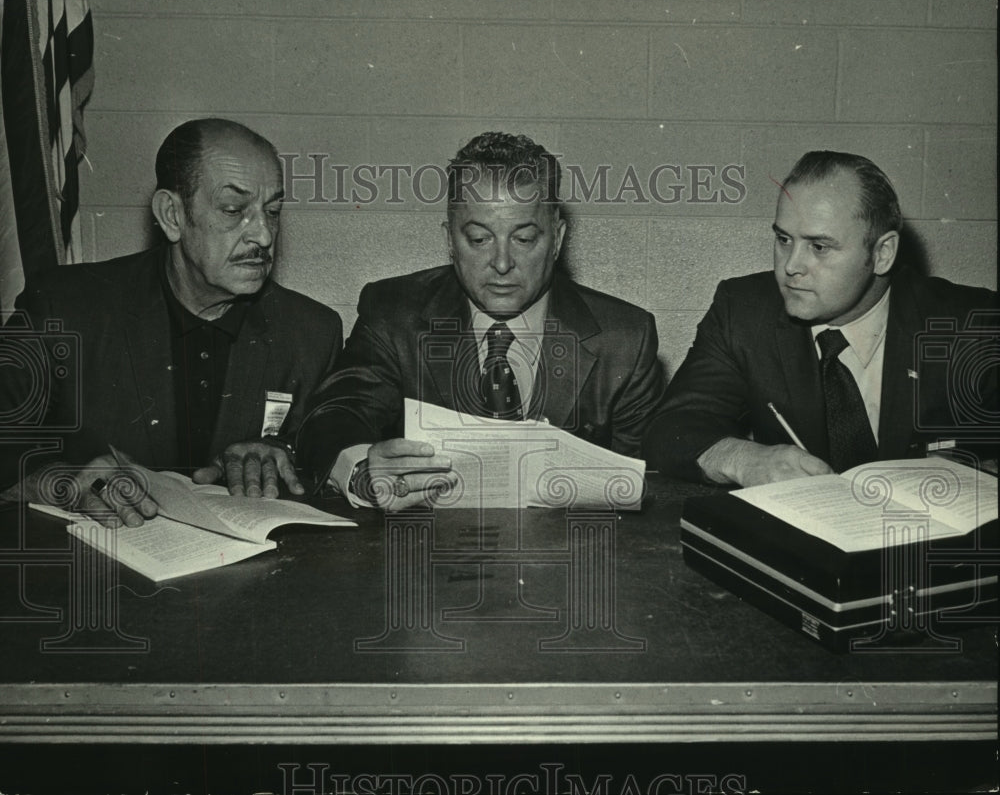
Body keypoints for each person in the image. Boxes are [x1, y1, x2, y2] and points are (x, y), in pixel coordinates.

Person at [297, 131, 666, 510]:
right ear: (450, 241)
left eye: (523, 239)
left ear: (556, 239)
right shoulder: (395, 313)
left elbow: (649, 484)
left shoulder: (625, 338)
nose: (502, 264)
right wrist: (363, 471)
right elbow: (331, 416)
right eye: (479, 239)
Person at [0, 118, 342, 526]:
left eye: (272, 211)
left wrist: (281, 455)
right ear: (172, 215)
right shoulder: (65, 307)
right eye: (234, 210)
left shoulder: (311, 332)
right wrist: (61, 482)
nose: (264, 236)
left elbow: (326, 456)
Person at [643, 150, 997, 487]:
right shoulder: (744, 310)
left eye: (819, 247)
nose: (791, 266)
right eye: (783, 239)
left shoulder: (974, 326)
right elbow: (670, 428)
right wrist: (743, 458)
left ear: (882, 253)